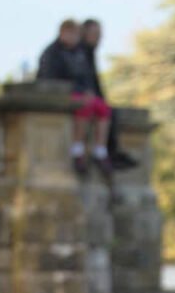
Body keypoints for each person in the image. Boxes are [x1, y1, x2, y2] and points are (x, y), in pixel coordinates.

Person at [37, 18, 111, 178]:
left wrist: (89, 91)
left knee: (103, 108)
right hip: (65, 95)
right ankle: (77, 149)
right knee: (83, 106)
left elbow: (87, 77)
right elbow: (49, 80)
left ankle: (100, 150)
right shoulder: (52, 53)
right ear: (64, 33)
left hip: (82, 93)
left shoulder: (80, 53)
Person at [80, 18, 137, 170]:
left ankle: (108, 152)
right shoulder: (79, 53)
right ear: (84, 33)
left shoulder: (88, 53)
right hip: (80, 98)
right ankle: (100, 152)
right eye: (95, 34)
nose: (99, 38)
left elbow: (95, 83)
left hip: (92, 99)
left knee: (109, 111)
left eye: (99, 34)